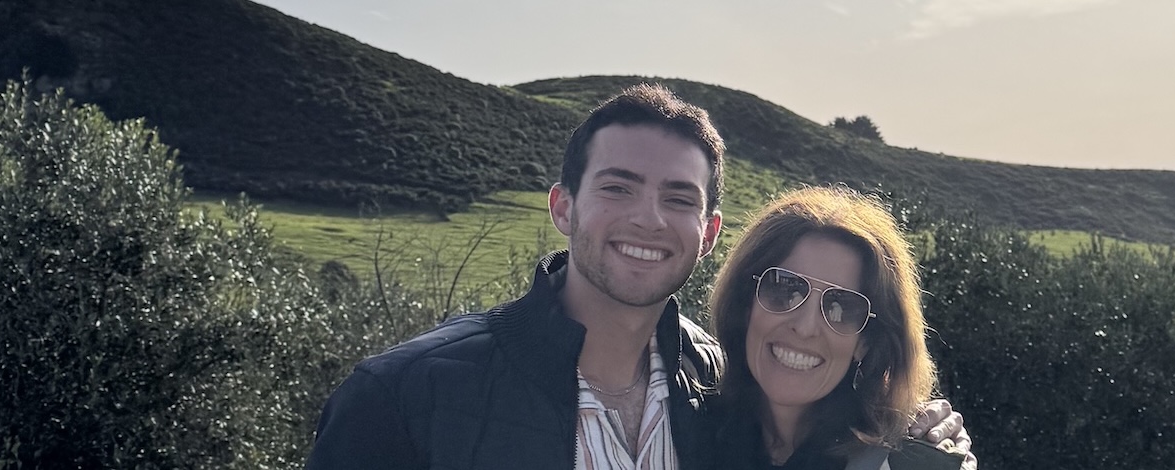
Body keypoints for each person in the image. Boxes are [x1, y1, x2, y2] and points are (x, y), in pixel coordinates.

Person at [306, 85, 966, 469]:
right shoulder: (403, 396)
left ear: (709, 234)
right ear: (563, 207)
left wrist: (914, 441)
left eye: (678, 198)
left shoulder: (718, 390)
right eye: (618, 187)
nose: (649, 220)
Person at [707, 187, 973, 470]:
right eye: (784, 289)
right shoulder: (689, 423)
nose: (805, 327)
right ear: (745, 304)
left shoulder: (904, 463)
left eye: (842, 307)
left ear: (866, 341)